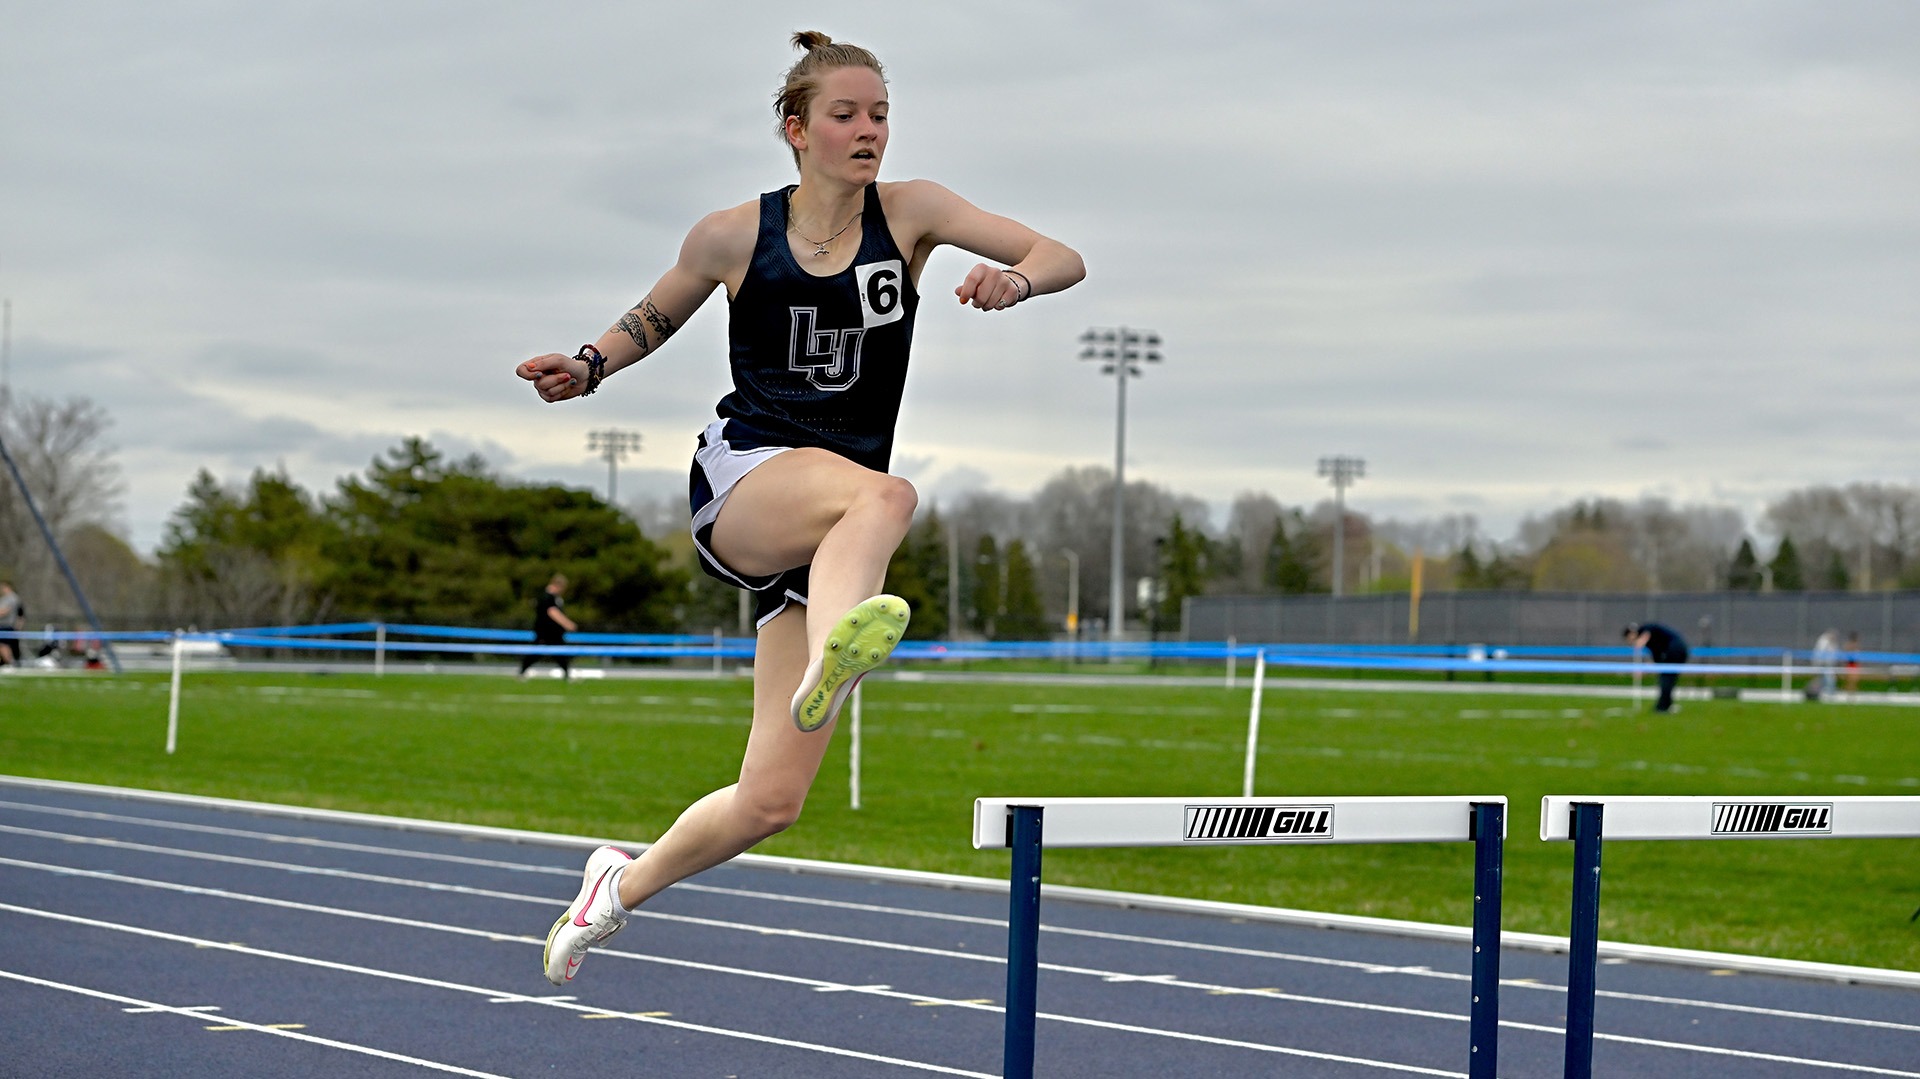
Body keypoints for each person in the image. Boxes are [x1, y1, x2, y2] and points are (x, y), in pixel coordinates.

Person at [519, 31, 1084, 987]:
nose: (870, 131)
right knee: (890, 494)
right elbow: (653, 315)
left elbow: (1063, 255)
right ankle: (836, 651)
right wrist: (586, 366)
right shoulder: (734, 234)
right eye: (846, 115)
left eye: (881, 115)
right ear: (796, 128)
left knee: (770, 800)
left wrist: (1018, 278)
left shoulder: (912, 213)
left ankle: (614, 887)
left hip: (829, 539)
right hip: (746, 480)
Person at [518, 574, 578, 681]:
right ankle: (522, 672)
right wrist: (567, 623)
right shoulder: (547, 597)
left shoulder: (551, 597)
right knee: (539, 653)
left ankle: (567, 674)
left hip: (551, 632)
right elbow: (552, 612)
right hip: (546, 631)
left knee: (558, 654)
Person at [1624, 621, 1688, 714]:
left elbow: (1648, 633)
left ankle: (1662, 706)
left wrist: (1641, 641)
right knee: (1667, 679)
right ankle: (1665, 704)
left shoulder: (1647, 628)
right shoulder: (1651, 644)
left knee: (1666, 678)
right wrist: (1643, 670)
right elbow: (1656, 659)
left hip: (1676, 650)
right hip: (1674, 652)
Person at [1806, 628, 1841, 700]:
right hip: (1821, 664)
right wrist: (1817, 665)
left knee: (1828, 679)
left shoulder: (1832, 642)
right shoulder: (1823, 641)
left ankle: (1828, 694)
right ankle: (1812, 693)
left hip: (1828, 664)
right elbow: (1820, 653)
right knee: (1824, 679)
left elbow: (1834, 653)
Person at [0, 582, 21, 668]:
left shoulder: (12, 598)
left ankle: (10, 663)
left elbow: (4, 611)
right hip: (3, 625)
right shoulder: (5, 598)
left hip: (6, 625)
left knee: (3, 645)